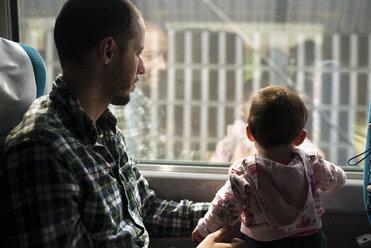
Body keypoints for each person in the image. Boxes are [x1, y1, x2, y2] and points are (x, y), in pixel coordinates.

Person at [0, 0, 212, 247]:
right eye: (138, 52)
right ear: (108, 51)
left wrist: (229, 208)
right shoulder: (40, 150)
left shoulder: (104, 127)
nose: (141, 68)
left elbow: (144, 209)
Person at [193, 85, 347, 248]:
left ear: (250, 133)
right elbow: (337, 178)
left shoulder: (244, 171)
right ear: (300, 137)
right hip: (310, 240)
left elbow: (223, 207)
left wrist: (204, 228)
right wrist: (338, 178)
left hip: (261, 242)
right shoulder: (311, 162)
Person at [110, 22, 168, 160]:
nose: (163, 65)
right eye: (151, 56)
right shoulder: (125, 108)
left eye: (164, 56)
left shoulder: (145, 102)